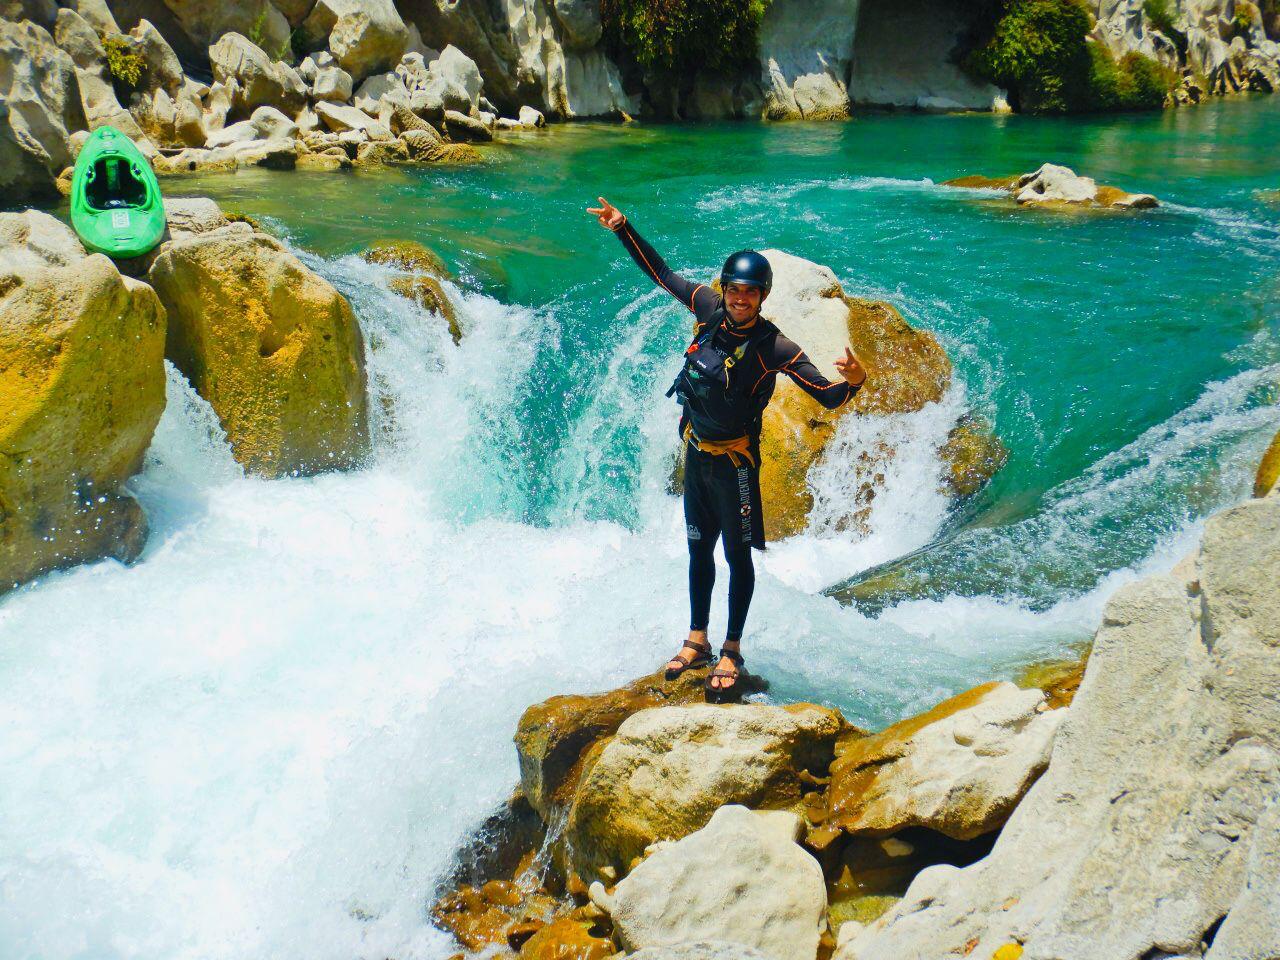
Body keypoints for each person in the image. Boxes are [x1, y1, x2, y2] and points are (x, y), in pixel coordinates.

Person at [587, 197, 867, 697]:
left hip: (736, 466)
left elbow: (828, 397)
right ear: (724, 289)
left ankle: (732, 649)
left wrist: (856, 380)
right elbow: (661, 274)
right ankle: (697, 638)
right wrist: (622, 227)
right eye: (734, 290)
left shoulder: (775, 347)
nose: (740, 299)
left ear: (763, 296)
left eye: (750, 292)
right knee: (699, 551)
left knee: (738, 558)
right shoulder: (707, 310)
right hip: (696, 456)